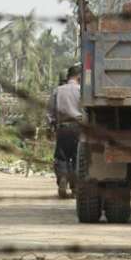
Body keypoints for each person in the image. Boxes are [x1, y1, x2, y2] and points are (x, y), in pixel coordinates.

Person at [47, 64, 83, 197]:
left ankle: (63, 178)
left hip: (63, 127)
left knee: (61, 157)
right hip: (79, 127)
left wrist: (50, 126)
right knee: (76, 157)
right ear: (79, 76)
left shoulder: (58, 90)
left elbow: (50, 111)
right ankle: (75, 188)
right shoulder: (81, 90)